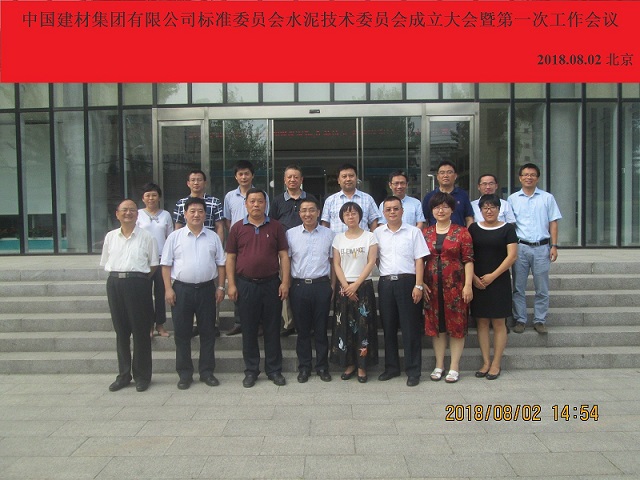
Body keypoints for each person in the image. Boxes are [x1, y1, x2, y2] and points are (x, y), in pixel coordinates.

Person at [226, 188, 290, 388]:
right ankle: (251, 370)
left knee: (272, 329)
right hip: (245, 285)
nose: (256, 205)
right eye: (252, 201)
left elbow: (284, 256)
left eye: (260, 201)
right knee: (249, 329)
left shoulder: (276, 226)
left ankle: (274, 370)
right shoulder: (237, 228)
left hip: (271, 284)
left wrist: (285, 282)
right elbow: (231, 258)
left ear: (265, 204)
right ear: (246, 204)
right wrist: (231, 284)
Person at [161, 197, 226, 390]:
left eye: (200, 211)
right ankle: (185, 374)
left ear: (205, 215)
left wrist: (220, 287)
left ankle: (207, 372)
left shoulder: (213, 237)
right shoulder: (175, 237)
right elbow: (166, 265)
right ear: (185, 214)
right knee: (182, 334)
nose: (196, 215)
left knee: (208, 333)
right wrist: (168, 288)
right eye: (192, 211)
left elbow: (221, 264)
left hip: (207, 290)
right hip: (181, 290)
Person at [100, 199, 158, 393]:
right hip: (115, 283)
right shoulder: (110, 237)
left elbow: (153, 265)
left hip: (138, 283)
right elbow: (106, 261)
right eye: (124, 210)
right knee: (121, 331)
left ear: (137, 214)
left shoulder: (147, 237)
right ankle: (124, 375)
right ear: (117, 214)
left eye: (132, 210)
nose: (128, 213)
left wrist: (137, 280)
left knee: (141, 332)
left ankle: (142, 376)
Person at [375, 196, 429, 387]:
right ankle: (391, 367)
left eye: (396, 209)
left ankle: (413, 371)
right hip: (386, 283)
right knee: (388, 327)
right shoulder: (377, 233)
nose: (392, 212)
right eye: (388, 209)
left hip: (408, 282)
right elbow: (375, 258)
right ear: (383, 213)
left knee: (410, 328)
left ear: (402, 211)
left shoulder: (414, 232)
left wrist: (419, 285)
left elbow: (419, 260)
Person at [422, 192, 474, 384]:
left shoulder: (462, 232)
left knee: (457, 325)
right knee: (437, 326)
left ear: (452, 209)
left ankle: (454, 366)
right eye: (437, 207)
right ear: (432, 210)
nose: (441, 210)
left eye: (445, 207)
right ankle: (439, 365)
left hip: (456, 286)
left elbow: (468, 260)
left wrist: (468, 285)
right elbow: (419, 260)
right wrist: (421, 283)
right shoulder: (425, 233)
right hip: (431, 287)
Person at [468, 194, 518, 380]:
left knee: (498, 323)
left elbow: (512, 256)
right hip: (478, 281)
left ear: (499, 209)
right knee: (481, 322)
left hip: (499, 281)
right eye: (485, 208)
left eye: (492, 207)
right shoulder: (473, 229)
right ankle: (485, 362)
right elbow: (467, 255)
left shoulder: (507, 229)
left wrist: (492, 276)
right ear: (480, 210)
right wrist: (473, 278)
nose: (489, 211)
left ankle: (496, 363)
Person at [508, 163, 562, 334]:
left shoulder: (547, 198)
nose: (528, 177)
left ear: (537, 178)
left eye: (532, 175)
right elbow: (510, 225)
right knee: (518, 287)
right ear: (520, 178)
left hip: (541, 247)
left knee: (542, 287)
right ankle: (520, 319)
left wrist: (554, 245)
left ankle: (540, 320)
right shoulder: (512, 199)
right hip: (521, 247)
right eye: (525, 174)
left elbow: (553, 222)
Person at [330, 202, 379, 383]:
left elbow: (371, 262)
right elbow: (336, 264)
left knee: (363, 326)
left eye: (354, 213)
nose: (350, 216)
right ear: (342, 218)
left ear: (360, 216)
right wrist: (346, 286)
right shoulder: (338, 239)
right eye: (347, 214)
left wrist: (356, 285)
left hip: (363, 287)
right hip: (344, 288)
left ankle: (362, 366)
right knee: (344, 327)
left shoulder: (370, 237)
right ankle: (349, 363)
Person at [287, 198, 334, 383]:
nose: (308, 214)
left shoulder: (329, 234)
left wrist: (332, 286)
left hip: (322, 286)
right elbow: (287, 261)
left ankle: (322, 367)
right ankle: (304, 367)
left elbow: (333, 262)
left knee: (321, 330)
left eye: (312, 210)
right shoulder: (290, 234)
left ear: (318, 212)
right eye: (304, 210)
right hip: (299, 287)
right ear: (299, 213)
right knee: (303, 331)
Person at [270, 164, 318, 337]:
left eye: (296, 177)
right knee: (286, 282)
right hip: (284, 249)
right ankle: (288, 322)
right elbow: (273, 224)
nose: (292, 180)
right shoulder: (277, 201)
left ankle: (307, 322)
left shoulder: (310, 198)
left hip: (307, 247)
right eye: (289, 177)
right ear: (284, 180)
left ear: (301, 179)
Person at [223, 160, 270, 336]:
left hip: (259, 241)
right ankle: (239, 321)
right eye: (240, 174)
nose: (244, 177)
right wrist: (239, 235)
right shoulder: (229, 196)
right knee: (238, 283)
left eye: (247, 174)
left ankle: (259, 322)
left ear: (252, 175)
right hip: (239, 243)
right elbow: (228, 220)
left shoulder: (261, 195)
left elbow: (265, 217)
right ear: (236, 177)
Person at [136, 182, 173, 338]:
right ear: (143, 198)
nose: (151, 198)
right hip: (143, 261)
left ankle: (160, 324)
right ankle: (148, 325)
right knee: (145, 295)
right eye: (148, 195)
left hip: (161, 260)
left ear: (159, 197)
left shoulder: (166, 215)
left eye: (154, 195)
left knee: (160, 293)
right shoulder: (137, 214)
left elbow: (170, 237)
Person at [321, 163, 380, 233]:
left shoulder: (368, 199)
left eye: (351, 176)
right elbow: (325, 224)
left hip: (363, 240)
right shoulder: (330, 200)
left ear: (356, 178)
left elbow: (374, 221)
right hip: (337, 239)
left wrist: (371, 237)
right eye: (344, 176)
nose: (348, 179)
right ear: (339, 180)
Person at [173, 169, 224, 243]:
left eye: (199, 180)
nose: (196, 183)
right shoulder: (180, 203)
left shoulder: (215, 202)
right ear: (188, 183)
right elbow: (178, 227)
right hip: (186, 242)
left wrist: (218, 245)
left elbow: (219, 227)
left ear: (205, 183)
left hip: (209, 242)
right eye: (193, 180)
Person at [421, 161, 474, 227]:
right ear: (437, 176)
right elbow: (425, 221)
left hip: (459, 233)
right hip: (435, 233)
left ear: (455, 176)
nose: (445, 175)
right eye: (442, 173)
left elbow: (469, 218)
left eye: (449, 172)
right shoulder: (429, 197)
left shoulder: (463, 195)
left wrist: (467, 232)